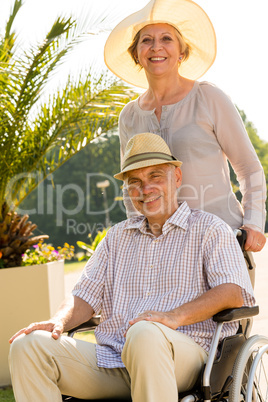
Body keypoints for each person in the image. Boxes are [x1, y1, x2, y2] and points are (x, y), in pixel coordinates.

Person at [9, 133, 254, 402]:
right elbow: (83, 296)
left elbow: (234, 291)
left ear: (177, 178)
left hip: (185, 356)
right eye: (135, 182)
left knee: (145, 332)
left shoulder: (209, 229)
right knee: (28, 345)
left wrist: (173, 317)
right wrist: (58, 321)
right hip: (114, 358)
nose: (145, 188)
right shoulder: (116, 237)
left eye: (155, 176)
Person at [104, 0, 266, 253]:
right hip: (163, 250)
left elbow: (248, 168)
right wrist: (138, 237)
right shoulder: (129, 116)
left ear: (182, 51)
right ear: (136, 53)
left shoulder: (209, 98)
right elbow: (130, 186)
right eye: (146, 40)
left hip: (223, 240)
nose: (156, 47)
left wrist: (254, 223)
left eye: (166, 38)